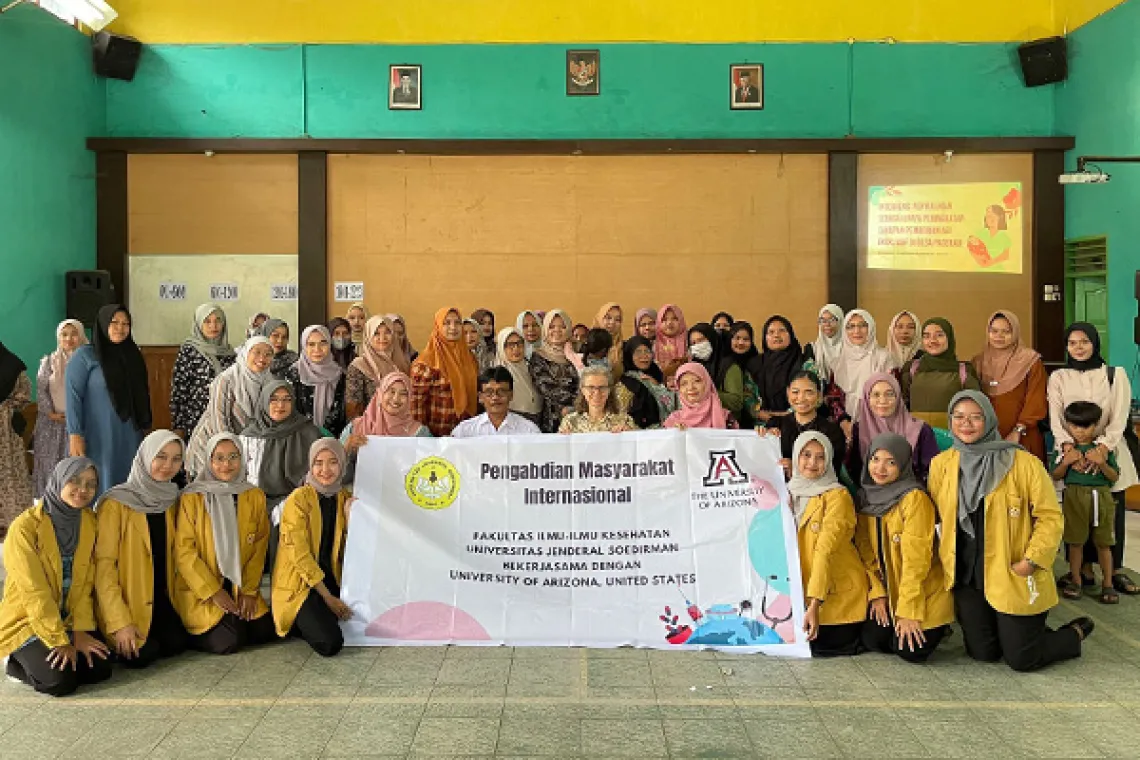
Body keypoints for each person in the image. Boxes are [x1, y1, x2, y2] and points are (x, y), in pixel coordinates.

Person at [928, 391, 1092, 671]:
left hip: (1012, 569)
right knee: (983, 653)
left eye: (975, 417)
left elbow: (1050, 517)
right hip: (967, 572)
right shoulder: (942, 464)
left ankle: (1072, 633)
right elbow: (936, 518)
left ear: (989, 420)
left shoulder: (1022, 463)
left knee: (1022, 660)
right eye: (959, 417)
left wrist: (1032, 560)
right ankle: (1019, 633)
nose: (966, 424)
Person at [0, 457, 111, 696]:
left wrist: (79, 631)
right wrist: (59, 641)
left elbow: (85, 583)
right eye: (74, 481)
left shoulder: (89, 522)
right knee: (59, 682)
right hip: (29, 620)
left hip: (67, 618)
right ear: (59, 480)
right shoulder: (25, 528)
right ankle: (15, 661)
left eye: (91, 484)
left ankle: (49, 653)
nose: (83, 490)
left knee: (99, 669)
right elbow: (34, 592)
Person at [1047, 322, 1140, 596]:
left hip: (1107, 452)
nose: (1078, 347)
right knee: (1077, 510)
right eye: (1072, 343)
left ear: (1095, 343)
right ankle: (1082, 570)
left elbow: (1120, 416)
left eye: (1084, 341)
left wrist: (1101, 449)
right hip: (1071, 454)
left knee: (1112, 512)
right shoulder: (1059, 377)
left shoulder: (1114, 374)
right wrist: (1068, 448)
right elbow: (1055, 416)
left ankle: (1116, 571)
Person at [175, 433, 278, 654]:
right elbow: (185, 553)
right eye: (219, 458)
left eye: (233, 457)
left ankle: (234, 617)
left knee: (265, 631)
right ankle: (190, 633)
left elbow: (259, 546)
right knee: (230, 642)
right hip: (203, 588)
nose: (226, 465)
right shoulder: (192, 497)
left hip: (240, 584)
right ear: (209, 461)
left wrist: (250, 591)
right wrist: (213, 591)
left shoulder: (253, 495)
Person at [95, 430, 189, 669]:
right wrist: (119, 622)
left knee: (176, 645)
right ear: (145, 457)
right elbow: (103, 568)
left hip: (161, 597)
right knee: (142, 656)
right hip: (128, 603)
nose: (168, 465)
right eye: (161, 457)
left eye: (176, 459)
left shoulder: (171, 499)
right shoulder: (115, 503)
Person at [855, 433, 953, 662]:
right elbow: (866, 554)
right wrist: (877, 594)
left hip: (923, 592)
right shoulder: (863, 498)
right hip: (890, 591)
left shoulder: (914, 500)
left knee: (911, 652)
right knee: (874, 640)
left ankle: (940, 626)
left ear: (903, 465)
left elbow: (916, 563)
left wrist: (909, 612)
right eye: (875, 459)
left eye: (891, 462)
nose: (880, 468)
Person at [787, 432, 870, 657]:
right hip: (800, 593)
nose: (812, 463)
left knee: (814, 646)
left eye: (820, 457)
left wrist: (814, 604)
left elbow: (824, 550)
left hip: (834, 596)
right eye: (806, 455)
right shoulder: (788, 492)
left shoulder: (837, 496)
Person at [271, 438, 354, 657]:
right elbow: (299, 555)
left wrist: (350, 519)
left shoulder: (344, 498)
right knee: (330, 643)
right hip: (304, 583)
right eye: (318, 462)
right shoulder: (299, 499)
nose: (325, 470)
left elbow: (352, 552)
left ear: (342, 465)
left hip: (332, 579)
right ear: (310, 465)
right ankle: (298, 621)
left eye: (333, 462)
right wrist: (328, 597)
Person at [66, 304, 150, 494]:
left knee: (128, 481)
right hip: (97, 434)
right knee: (98, 480)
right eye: (114, 322)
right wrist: (75, 434)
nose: (120, 328)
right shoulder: (85, 355)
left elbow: (142, 394)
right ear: (103, 324)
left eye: (125, 323)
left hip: (129, 432)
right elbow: (73, 397)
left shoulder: (133, 355)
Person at [1052, 401, 1120, 604]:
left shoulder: (1102, 450)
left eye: (1086, 426)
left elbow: (1114, 476)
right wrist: (1066, 461)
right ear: (1068, 426)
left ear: (1096, 425)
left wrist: (1101, 463)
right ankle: (1075, 580)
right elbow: (1055, 475)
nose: (1080, 432)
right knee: (1075, 542)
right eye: (1074, 426)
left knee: (1104, 542)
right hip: (1073, 496)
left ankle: (1108, 583)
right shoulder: (1065, 450)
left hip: (1101, 497)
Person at [184, 337, 275, 478]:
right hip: (214, 446)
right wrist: (235, 453)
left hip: (247, 450)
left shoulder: (271, 382)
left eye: (268, 354)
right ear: (246, 353)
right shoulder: (226, 379)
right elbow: (219, 422)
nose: (262, 358)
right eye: (256, 352)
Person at [239, 380, 322, 517]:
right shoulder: (248, 437)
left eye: (287, 400)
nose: (280, 405)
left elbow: (317, 474)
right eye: (274, 400)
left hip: (297, 503)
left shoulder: (309, 433)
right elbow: (239, 477)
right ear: (264, 401)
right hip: (253, 503)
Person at [973, 310, 1047, 462]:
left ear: (1015, 332)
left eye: (1006, 331)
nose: (999, 336)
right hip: (985, 438)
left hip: (1022, 437)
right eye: (994, 331)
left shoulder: (1030, 361)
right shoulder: (978, 362)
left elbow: (1036, 399)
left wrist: (1018, 430)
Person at [847, 373, 940, 484]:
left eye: (889, 394)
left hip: (911, 495)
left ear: (898, 397)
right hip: (871, 496)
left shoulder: (921, 430)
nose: (882, 401)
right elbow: (855, 472)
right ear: (867, 399)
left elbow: (933, 472)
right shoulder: (859, 429)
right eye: (876, 395)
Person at [341, 372, 431, 484]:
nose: (396, 398)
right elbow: (337, 475)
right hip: (361, 497)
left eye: (403, 394)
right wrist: (346, 448)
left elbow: (429, 471)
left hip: (402, 497)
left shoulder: (419, 433)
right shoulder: (356, 427)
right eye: (391, 391)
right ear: (380, 393)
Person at [32, 319, 87, 497]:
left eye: (74, 334)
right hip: (52, 424)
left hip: (80, 424)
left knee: (75, 469)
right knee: (50, 467)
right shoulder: (49, 362)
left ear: (81, 336)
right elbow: (41, 390)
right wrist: (51, 413)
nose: (69, 339)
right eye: (64, 334)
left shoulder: (89, 362)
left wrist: (76, 416)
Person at [169, 303, 237, 439]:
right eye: (207, 321)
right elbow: (179, 391)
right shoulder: (189, 351)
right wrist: (178, 426)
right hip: (195, 420)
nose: (213, 326)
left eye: (218, 320)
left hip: (224, 419)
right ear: (199, 324)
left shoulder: (230, 353)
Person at [410, 307, 479, 437]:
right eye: (446, 323)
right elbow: (416, 407)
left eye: (457, 322)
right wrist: (424, 438)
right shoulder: (425, 364)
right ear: (438, 327)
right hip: (436, 438)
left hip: (466, 434)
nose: (453, 327)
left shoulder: (470, 358)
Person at [762, 370, 845, 478]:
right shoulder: (775, 424)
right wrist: (760, 438)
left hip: (816, 492)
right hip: (778, 491)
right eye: (795, 392)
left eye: (809, 392)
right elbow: (762, 464)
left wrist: (796, 470)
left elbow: (832, 471)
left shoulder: (831, 431)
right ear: (788, 393)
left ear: (819, 395)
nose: (801, 398)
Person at [900, 318, 981, 428]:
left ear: (949, 338)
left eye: (939, 335)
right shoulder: (911, 368)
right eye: (926, 336)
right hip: (916, 434)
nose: (932, 340)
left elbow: (974, 407)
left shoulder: (964, 370)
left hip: (953, 434)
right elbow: (902, 405)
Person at [831, 309, 896, 422]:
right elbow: (833, 396)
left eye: (863, 325)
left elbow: (891, 395)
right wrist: (843, 422)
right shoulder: (838, 361)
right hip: (843, 424)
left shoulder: (883, 358)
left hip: (878, 421)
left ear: (870, 328)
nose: (857, 331)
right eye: (851, 326)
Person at [282, 325, 347, 437]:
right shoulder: (294, 374)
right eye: (311, 344)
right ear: (304, 346)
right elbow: (289, 411)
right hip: (299, 438)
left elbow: (342, 413)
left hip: (332, 440)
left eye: (323, 343)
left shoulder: (339, 374)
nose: (317, 349)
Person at [345, 315, 411, 421]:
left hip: (401, 427)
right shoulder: (359, 366)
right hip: (371, 429)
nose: (382, 338)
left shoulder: (402, 363)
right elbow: (353, 408)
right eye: (376, 333)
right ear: (368, 336)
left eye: (387, 332)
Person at [0, 340, 33, 534]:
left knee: (9, 472)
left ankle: (12, 521)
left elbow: (24, 393)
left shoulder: (12, 365)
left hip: (5, 429)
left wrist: (6, 409)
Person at [454, 368, 542, 437]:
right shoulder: (464, 431)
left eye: (502, 391)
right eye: (489, 392)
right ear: (480, 397)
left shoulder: (529, 430)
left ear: (511, 395)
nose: (495, 397)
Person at [530, 310, 579, 434]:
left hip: (581, 416)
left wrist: (580, 406)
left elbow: (587, 378)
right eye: (551, 327)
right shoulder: (538, 356)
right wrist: (576, 403)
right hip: (552, 417)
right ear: (545, 329)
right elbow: (546, 387)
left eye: (562, 327)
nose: (557, 331)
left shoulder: (578, 351)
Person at [753, 316, 807, 427]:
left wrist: (788, 413)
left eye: (782, 331)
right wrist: (757, 412)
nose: (776, 335)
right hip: (762, 426)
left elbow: (814, 394)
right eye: (771, 332)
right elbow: (748, 394)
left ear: (790, 335)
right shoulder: (755, 364)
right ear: (765, 338)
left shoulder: (805, 363)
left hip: (798, 422)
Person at [617, 336, 676, 429]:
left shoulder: (658, 374)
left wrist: (657, 386)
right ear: (629, 355)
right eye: (638, 352)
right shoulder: (626, 382)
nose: (644, 356)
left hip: (664, 431)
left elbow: (674, 406)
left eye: (647, 351)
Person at [559, 365, 637, 434]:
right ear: (582, 390)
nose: (597, 392)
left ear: (609, 390)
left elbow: (637, 448)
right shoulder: (570, 422)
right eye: (591, 387)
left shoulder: (624, 420)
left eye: (602, 387)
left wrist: (630, 434)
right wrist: (563, 440)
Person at [714, 322, 762, 428]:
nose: (741, 343)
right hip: (732, 421)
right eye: (737, 338)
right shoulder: (724, 364)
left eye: (746, 339)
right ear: (730, 339)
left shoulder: (758, 362)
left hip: (757, 421)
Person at [663, 362, 736, 430]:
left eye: (697, 381)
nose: (691, 387)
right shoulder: (674, 420)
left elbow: (735, 442)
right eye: (684, 384)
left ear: (707, 383)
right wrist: (674, 433)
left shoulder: (726, 417)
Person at [494, 327, 542, 425]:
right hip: (512, 422)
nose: (516, 349)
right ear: (501, 348)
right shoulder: (498, 373)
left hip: (538, 418)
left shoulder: (532, 366)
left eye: (519, 343)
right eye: (510, 345)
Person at [806, 304, 844, 380]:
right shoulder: (812, 349)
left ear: (841, 322)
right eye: (823, 321)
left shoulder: (849, 348)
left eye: (832, 320)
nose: (827, 324)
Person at [653, 304, 689, 383]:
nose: (669, 323)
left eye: (675, 319)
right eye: (664, 320)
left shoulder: (689, 341)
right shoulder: (652, 345)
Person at [593, 302, 625, 379]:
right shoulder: (588, 345)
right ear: (599, 319)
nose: (612, 322)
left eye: (617, 320)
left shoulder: (625, 348)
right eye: (608, 318)